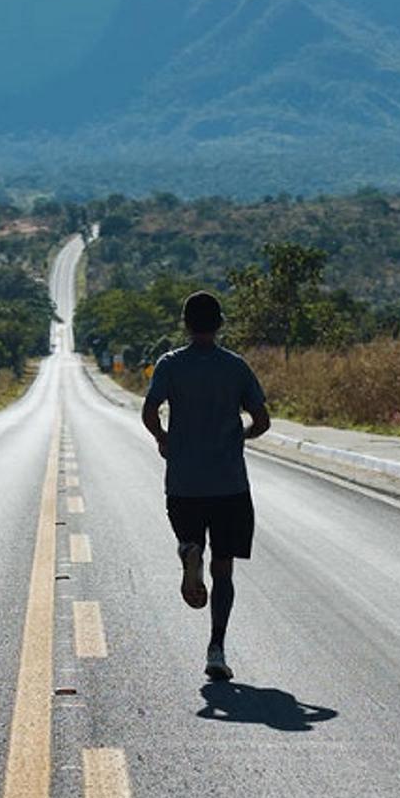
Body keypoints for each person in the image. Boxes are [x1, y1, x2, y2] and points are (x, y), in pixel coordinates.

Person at [141, 290, 270, 681]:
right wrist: (240, 435)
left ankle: (187, 548)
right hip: (229, 482)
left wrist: (164, 439)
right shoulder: (235, 367)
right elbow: (262, 421)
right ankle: (216, 648)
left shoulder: (170, 364)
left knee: (191, 538)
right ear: (220, 324)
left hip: (184, 481)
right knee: (224, 570)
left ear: (185, 323)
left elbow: (149, 411)